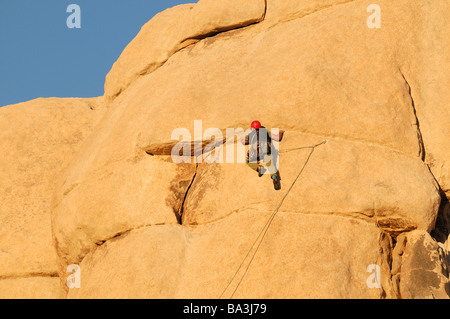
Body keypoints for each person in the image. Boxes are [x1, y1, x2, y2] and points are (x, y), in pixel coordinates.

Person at [241, 121, 285, 190]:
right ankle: (274, 177)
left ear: (252, 128)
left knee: (249, 161)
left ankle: (259, 168)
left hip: (256, 153)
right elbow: (277, 138)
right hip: (266, 151)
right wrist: (281, 132)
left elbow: (243, 142)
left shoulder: (251, 134)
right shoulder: (265, 132)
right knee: (270, 164)